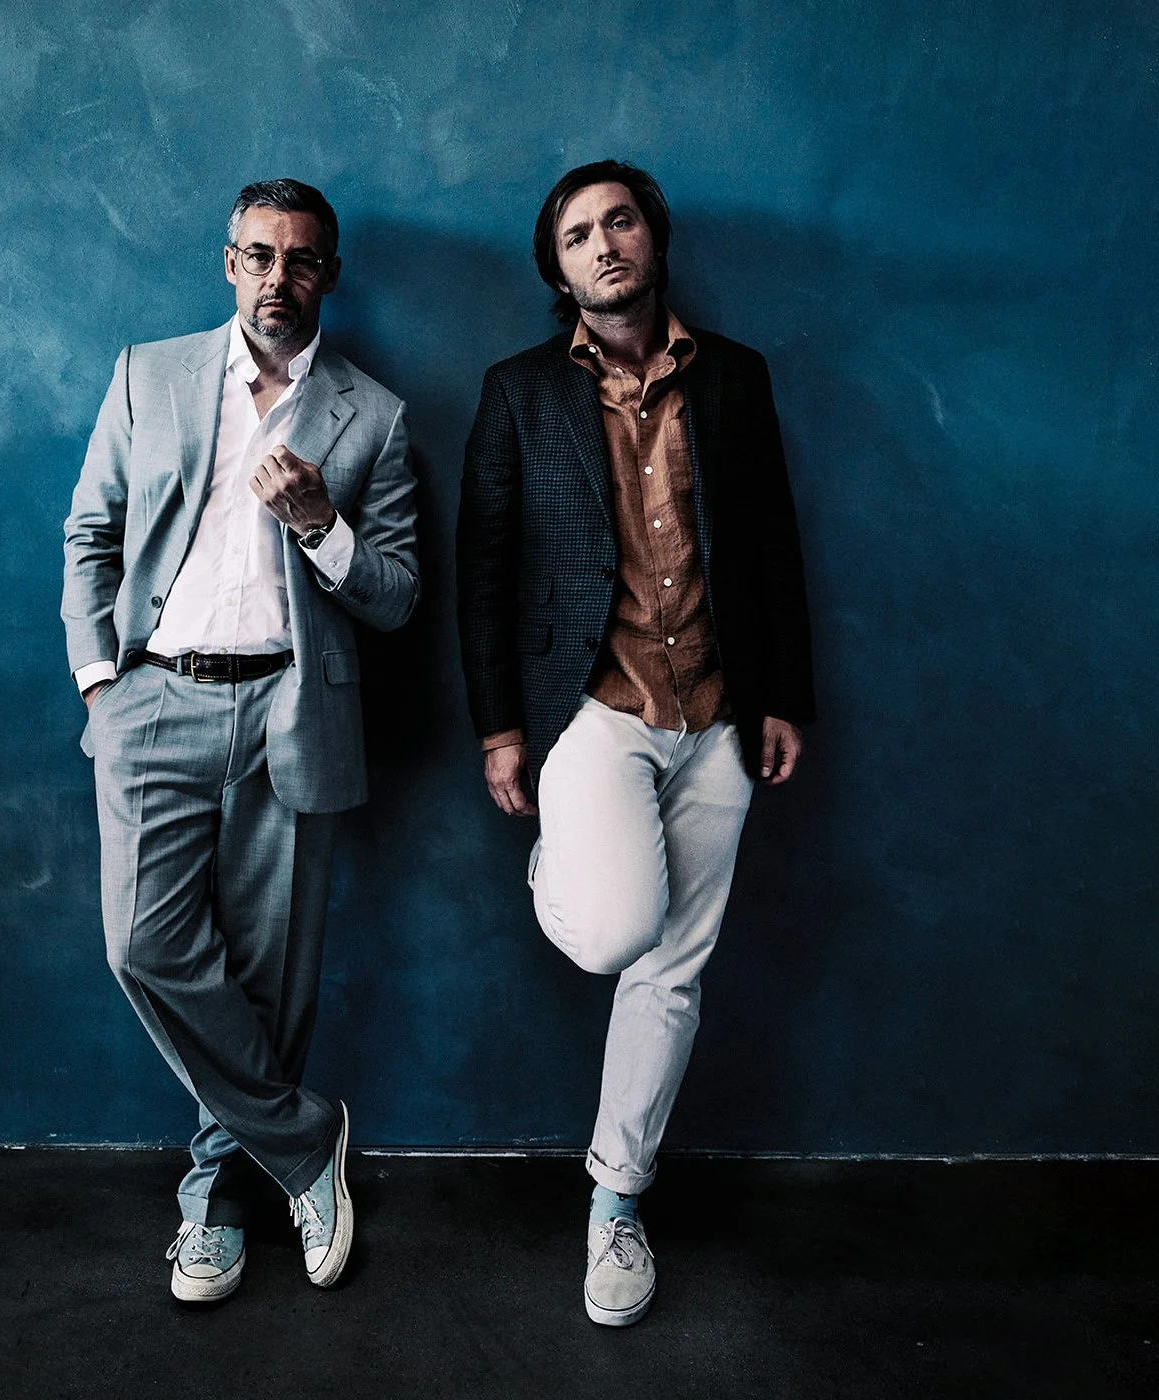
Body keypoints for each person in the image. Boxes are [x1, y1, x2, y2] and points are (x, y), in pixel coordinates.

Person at [456, 160, 814, 1326]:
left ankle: (616, 1196)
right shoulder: (518, 391)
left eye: (618, 222)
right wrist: (499, 725)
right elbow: (482, 566)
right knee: (618, 930)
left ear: (653, 238)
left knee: (673, 968)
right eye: (576, 235)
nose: (602, 245)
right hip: (590, 705)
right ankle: (558, 862)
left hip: (716, 706)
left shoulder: (734, 377)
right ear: (556, 268)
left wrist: (782, 695)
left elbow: (769, 544)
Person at [62, 178, 419, 1303]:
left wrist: (321, 523)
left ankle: (213, 1198)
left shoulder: (374, 415)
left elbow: (398, 594)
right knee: (143, 946)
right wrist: (100, 684)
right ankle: (308, 1143)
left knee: (270, 981)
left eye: (302, 259)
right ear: (229, 264)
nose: (279, 277)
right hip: (153, 700)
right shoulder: (148, 373)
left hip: (290, 708)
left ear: (330, 276)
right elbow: (91, 532)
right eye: (260, 255)